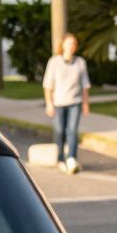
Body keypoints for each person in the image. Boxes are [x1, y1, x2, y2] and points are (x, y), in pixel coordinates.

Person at [42, 33, 91, 175]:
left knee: (72, 131)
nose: (72, 46)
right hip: (58, 103)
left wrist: (86, 103)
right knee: (60, 131)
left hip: (74, 102)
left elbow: (85, 85)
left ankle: (71, 158)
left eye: (74, 44)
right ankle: (61, 159)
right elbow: (48, 85)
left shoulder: (80, 63)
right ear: (62, 45)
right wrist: (49, 103)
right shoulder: (54, 62)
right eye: (69, 43)